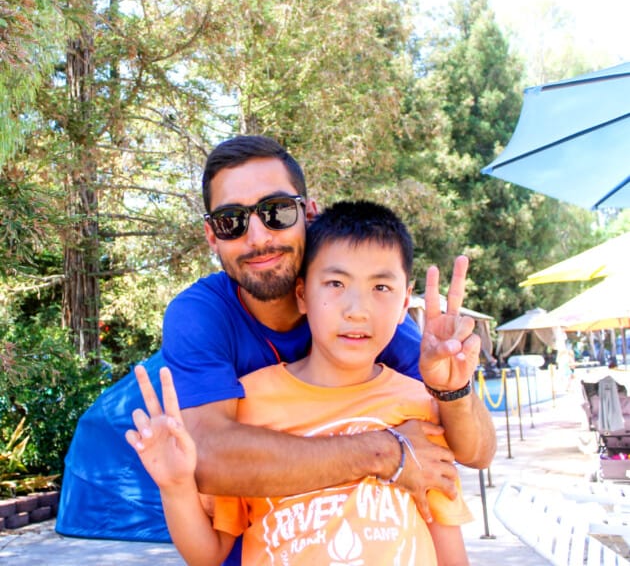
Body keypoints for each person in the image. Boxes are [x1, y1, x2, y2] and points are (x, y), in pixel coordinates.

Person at [56, 136, 495, 564]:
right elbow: (208, 459)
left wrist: (453, 392)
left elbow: (474, 451)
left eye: (277, 211)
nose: (258, 237)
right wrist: (387, 452)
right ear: (212, 235)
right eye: (232, 220)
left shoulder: (363, 322)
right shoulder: (201, 316)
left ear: (310, 213)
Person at [126, 200, 473, 566]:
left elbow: (448, 543)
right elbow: (209, 555)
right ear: (303, 294)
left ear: (405, 303)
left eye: (381, 288)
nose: (357, 309)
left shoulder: (419, 404)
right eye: (335, 283)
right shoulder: (250, 406)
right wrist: (176, 487)